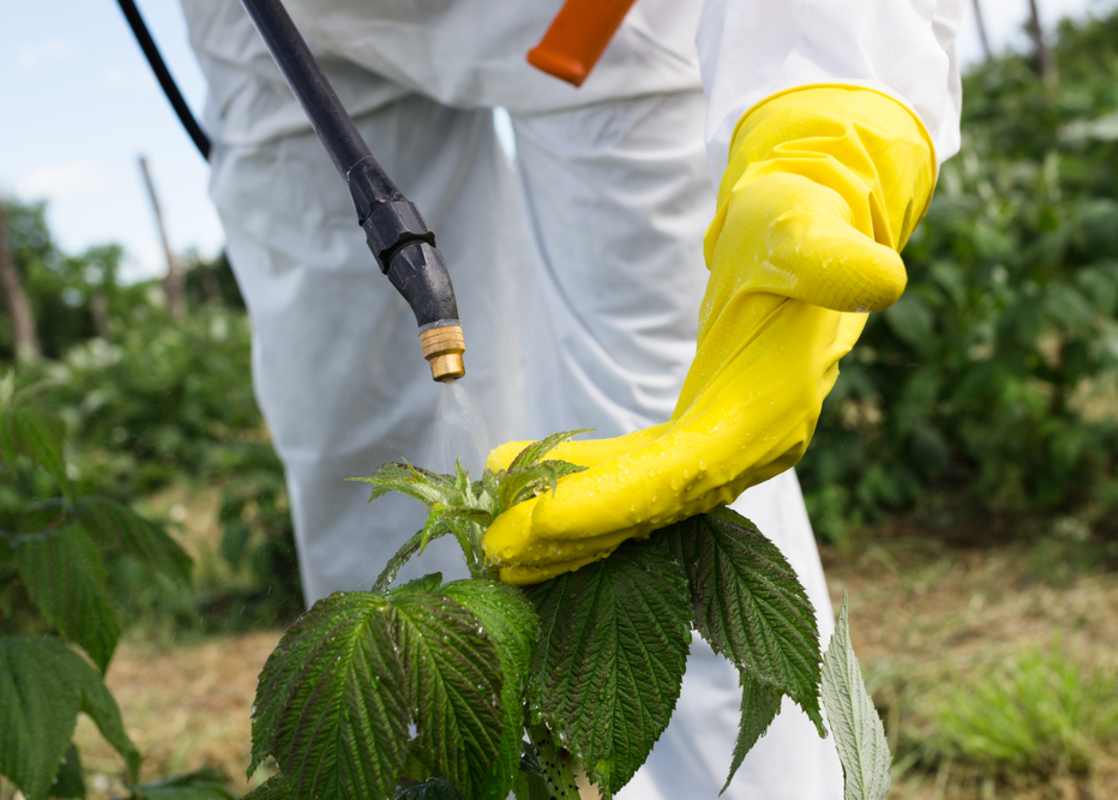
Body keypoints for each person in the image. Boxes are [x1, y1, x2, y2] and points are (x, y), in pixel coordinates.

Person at [179, 0, 965, 796]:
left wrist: (828, 125)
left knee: (656, 446)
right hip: (279, 20)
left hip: (596, 17)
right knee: (359, 465)